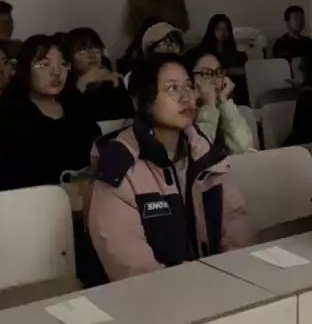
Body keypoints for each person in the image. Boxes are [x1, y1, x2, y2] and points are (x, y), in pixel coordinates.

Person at [89, 52, 252, 280]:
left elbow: (236, 226)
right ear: (142, 100)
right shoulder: (119, 165)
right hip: (154, 294)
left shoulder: (204, 152)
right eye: (172, 88)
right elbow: (132, 267)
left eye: (188, 87)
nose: (185, 97)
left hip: (218, 285)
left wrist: (234, 277)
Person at [0, 35, 100, 190]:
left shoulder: (76, 105)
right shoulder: (12, 117)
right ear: (25, 69)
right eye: (44, 64)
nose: (56, 72)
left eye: (63, 64)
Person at [185, 49, 254, 154]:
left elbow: (244, 149)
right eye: (207, 74)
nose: (216, 80)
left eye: (218, 73)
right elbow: (200, 155)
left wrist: (224, 102)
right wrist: (208, 106)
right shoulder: (181, 117)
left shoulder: (227, 110)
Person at [65, 28, 133, 122]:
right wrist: (82, 83)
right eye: (83, 50)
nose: (92, 55)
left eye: (96, 48)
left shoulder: (112, 80)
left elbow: (127, 117)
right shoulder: (64, 86)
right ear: (69, 57)